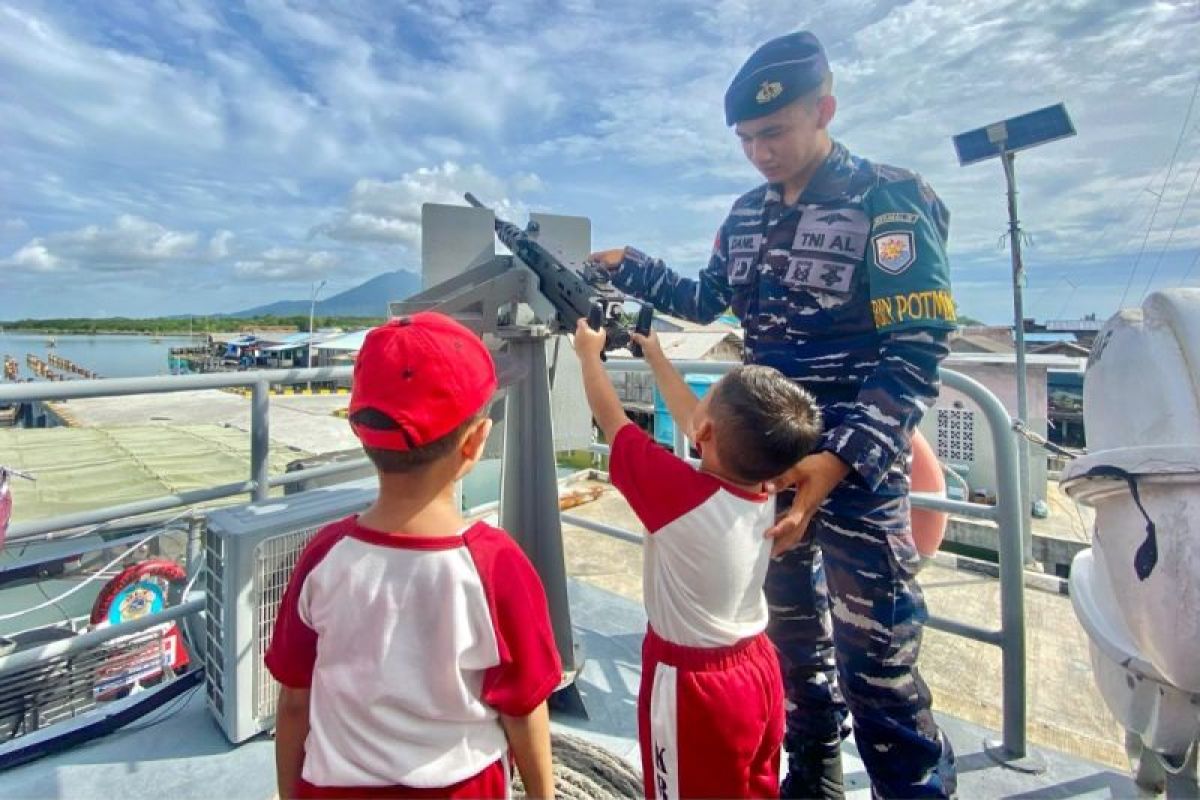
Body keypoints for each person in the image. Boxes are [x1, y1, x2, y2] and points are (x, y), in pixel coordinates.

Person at [589, 30, 958, 799]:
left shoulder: (890, 198)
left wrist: (839, 460)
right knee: (790, 641)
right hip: (766, 465)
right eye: (747, 140)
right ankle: (813, 775)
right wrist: (637, 266)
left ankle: (912, 787)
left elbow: (915, 350)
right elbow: (705, 298)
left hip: (855, 468)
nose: (761, 152)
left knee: (878, 662)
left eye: (776, 132)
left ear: (823, 108)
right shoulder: (748, 214)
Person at [265, 312, 559, 799]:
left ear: (362, 433)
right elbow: (524, 708)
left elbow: (295, 701)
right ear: (475, 442)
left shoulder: (323, 556)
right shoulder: (495, 564)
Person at [573, 318, 822, 798]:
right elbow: (699, 420)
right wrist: (657, 357)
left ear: (703, 432)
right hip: (758, 668)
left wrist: (587, 354)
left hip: (694, 685)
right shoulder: (767, 481)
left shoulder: (678, 495)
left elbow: (613, 421)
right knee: (754, 786)